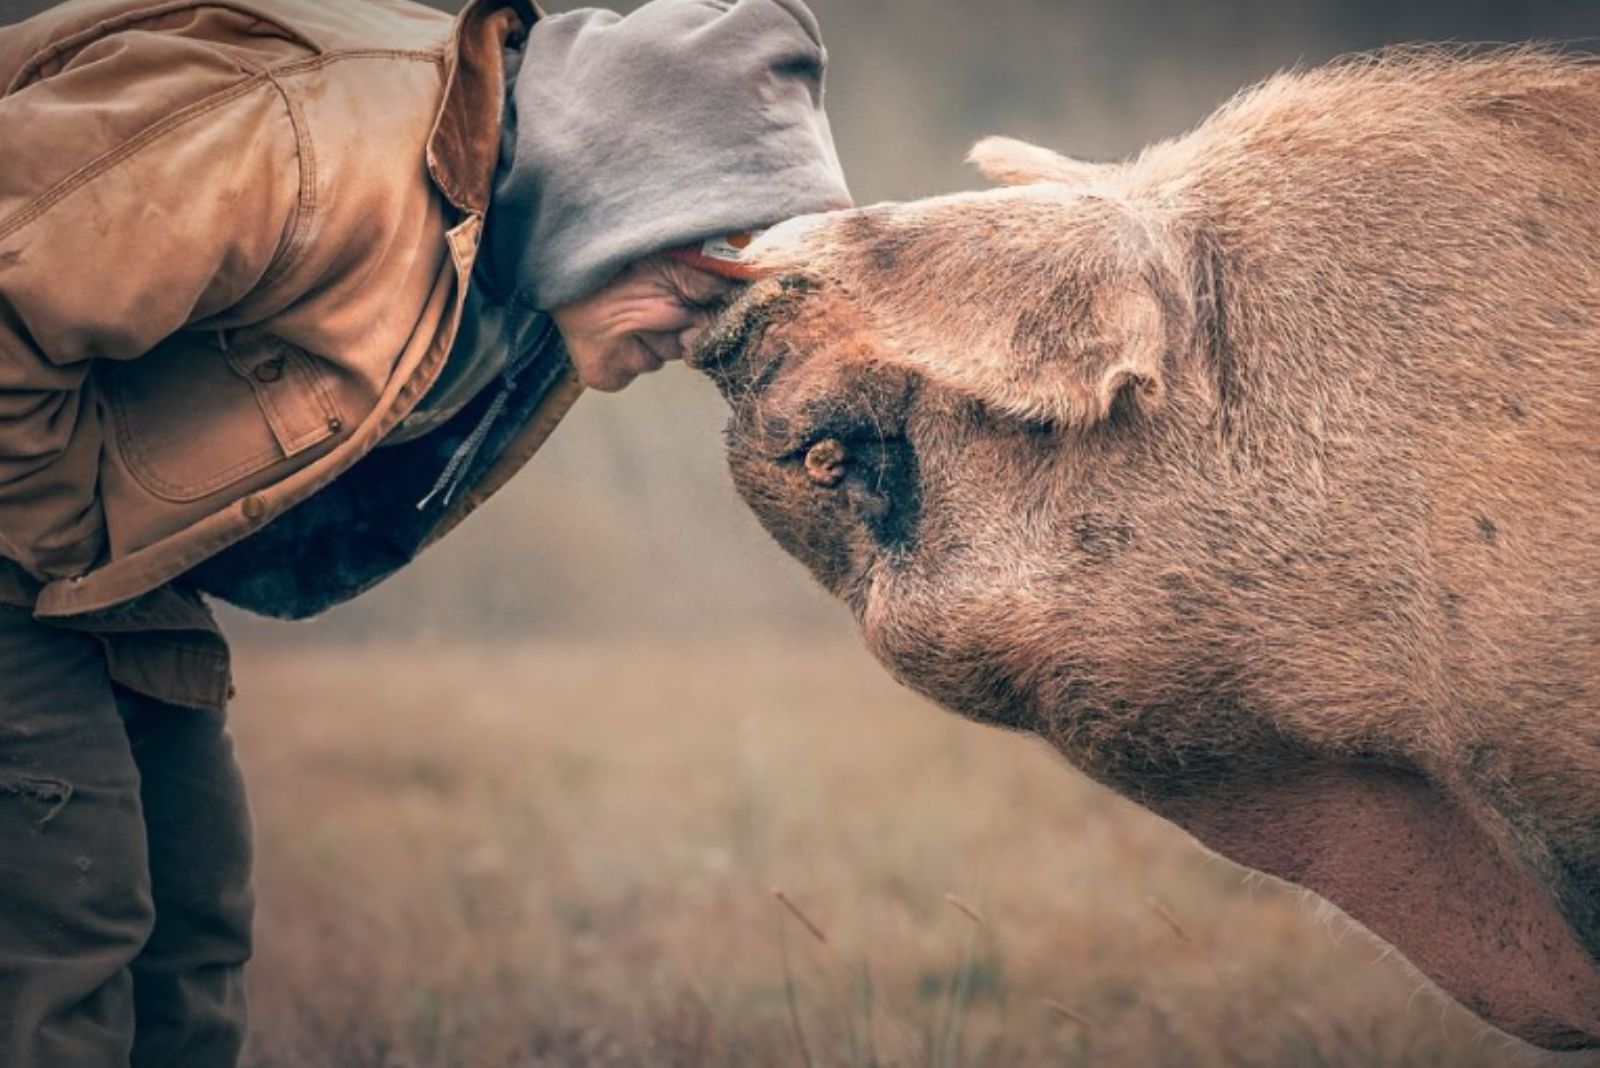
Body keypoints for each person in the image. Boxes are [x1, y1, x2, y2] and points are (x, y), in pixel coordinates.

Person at [0, 0, 851, 1063]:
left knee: (188, 936)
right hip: (32, 527)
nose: (693, 342)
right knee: (61, 934)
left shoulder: (524, 248)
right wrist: (69, 535)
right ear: (620, 199)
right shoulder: (308, 140)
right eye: (692, 293)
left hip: (83, 549)